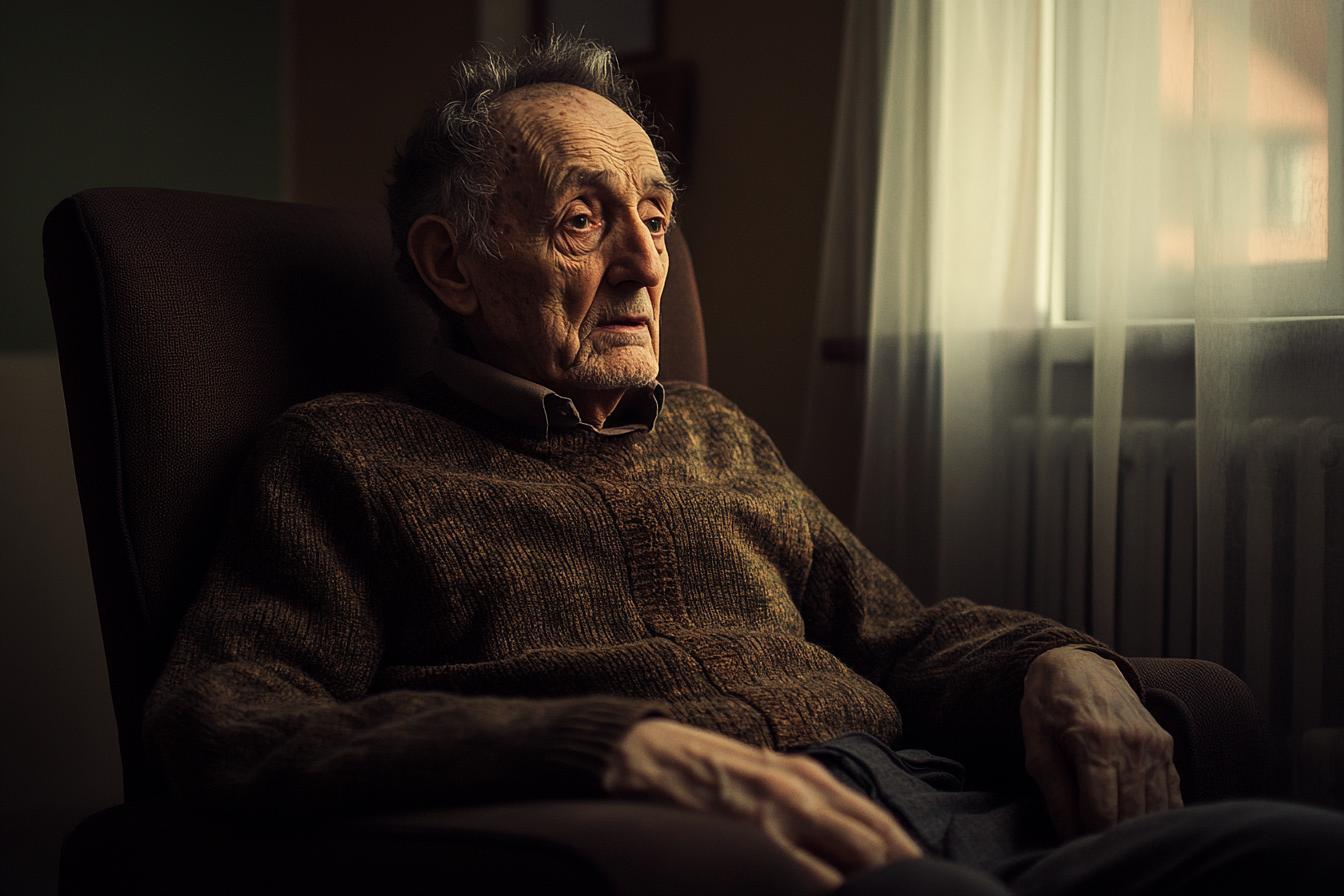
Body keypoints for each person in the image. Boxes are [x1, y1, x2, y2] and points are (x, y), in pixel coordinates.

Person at [145, 35, 1343, 894]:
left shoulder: (715, 431)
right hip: (754, 855)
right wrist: (602, 743)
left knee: (1302, 847)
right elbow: (228, 722)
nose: (644, 264)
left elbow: (899, 632)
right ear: (453, 266)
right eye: (583, 218)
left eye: (656, 217)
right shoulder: (343, 458)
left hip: (961, 803)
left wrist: (1060, 660)